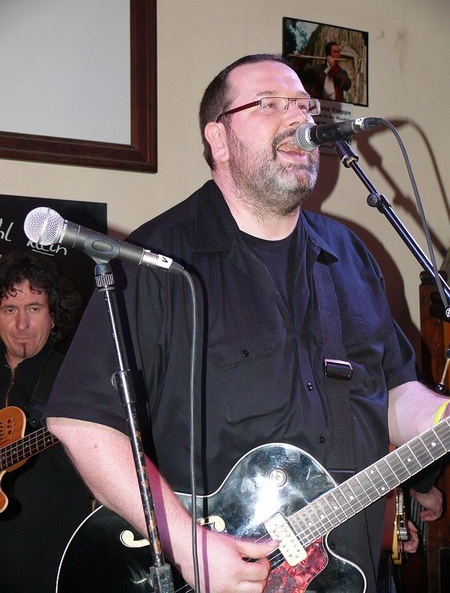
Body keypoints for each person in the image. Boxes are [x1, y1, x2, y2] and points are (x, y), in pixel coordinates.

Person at [46, 54, 449, 593]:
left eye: (305, 105)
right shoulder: (157, 260)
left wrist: (440, 416)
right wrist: (187, 545)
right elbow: (82, 421)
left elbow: (394, 395)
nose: (299, 117)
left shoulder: (349, 254)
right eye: (270, 104)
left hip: (350, 572)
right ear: (219, 138)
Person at [0, 250, 92, 592]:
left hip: (48, 559)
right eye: (10, 309)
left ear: (54, 315)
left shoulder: (77, 380)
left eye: (34, 308)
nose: (22, 324)